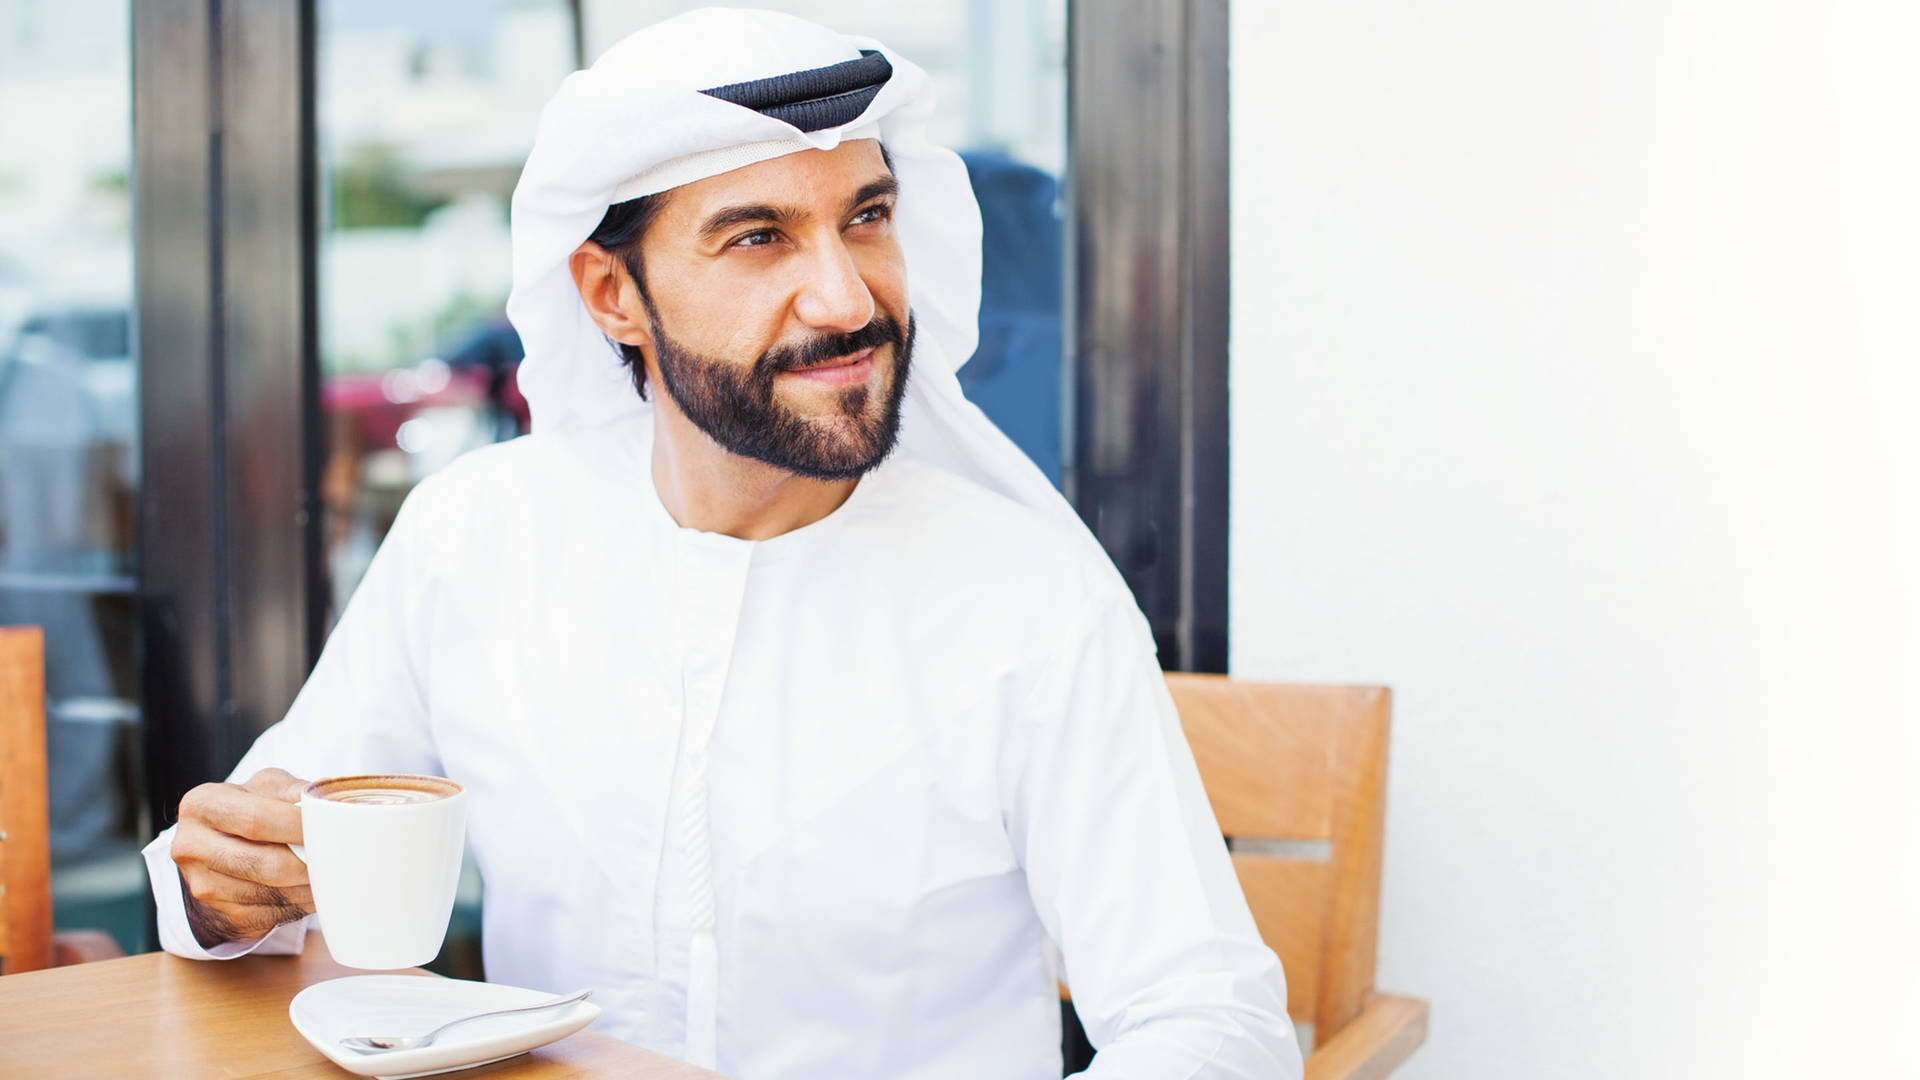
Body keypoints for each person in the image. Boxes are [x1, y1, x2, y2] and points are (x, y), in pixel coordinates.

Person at [141, 10, 1301, 1078]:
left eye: (868, 218)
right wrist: (218, 891)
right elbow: (261, 857)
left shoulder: (1028, 598)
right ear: (611, 296)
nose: (847, 300)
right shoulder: (478, 536)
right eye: (759, 239)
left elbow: (1206, 1019)